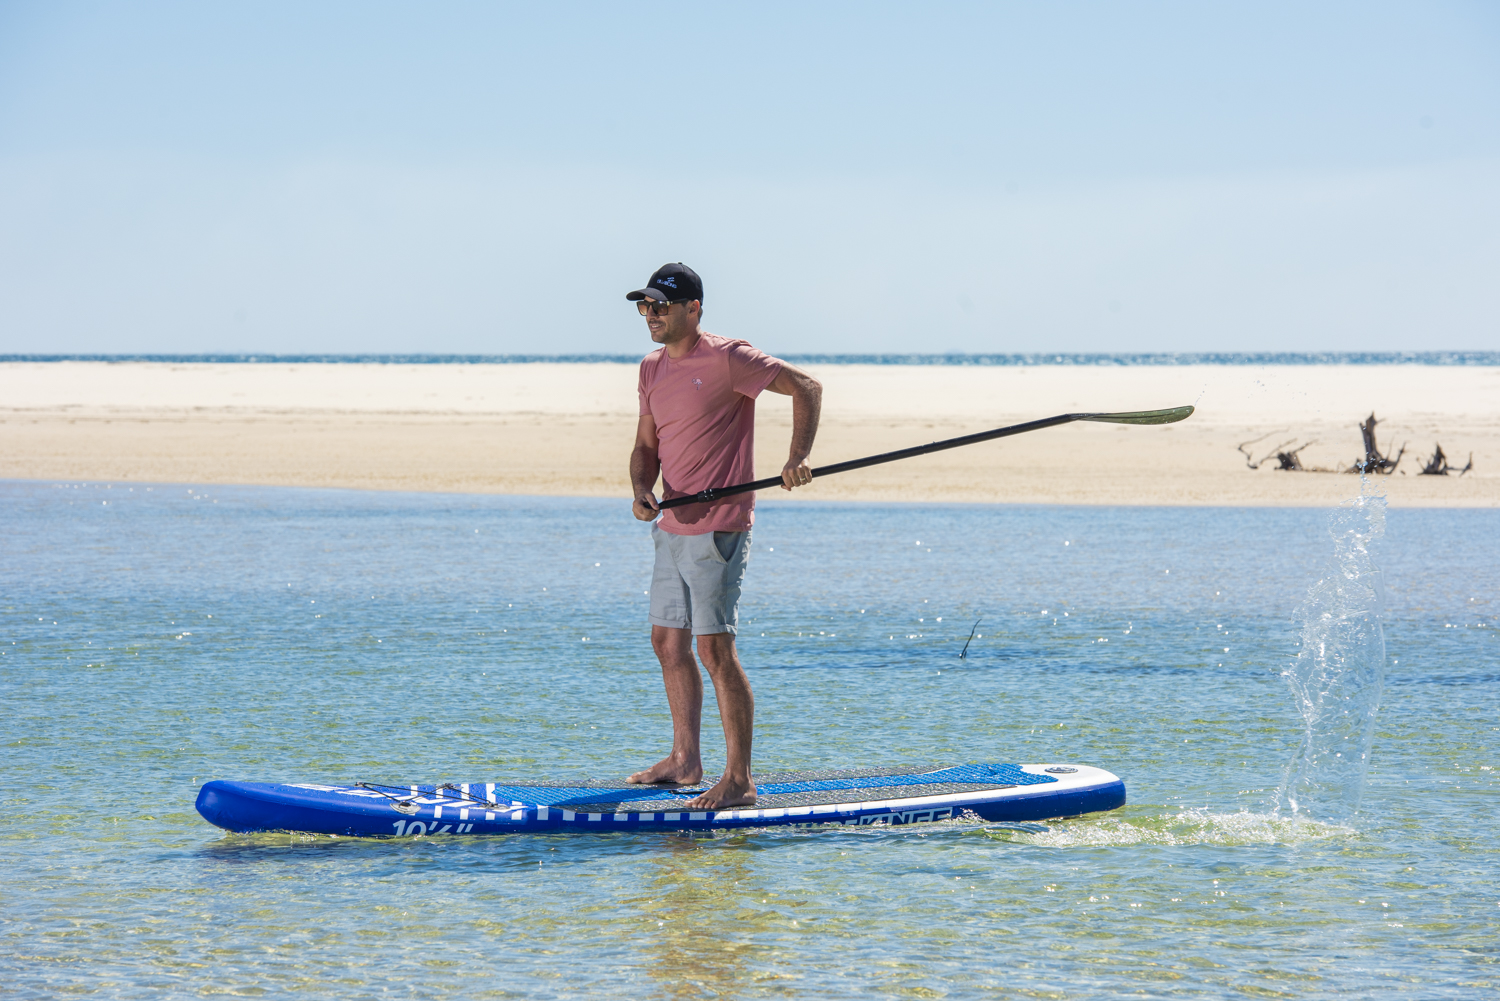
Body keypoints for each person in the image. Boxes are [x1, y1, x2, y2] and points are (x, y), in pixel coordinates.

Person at [626, 262, 822, 810]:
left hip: (719, 529)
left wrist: (797, 458)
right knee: (668, 643)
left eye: (661, 306)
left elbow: (806, 387)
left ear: (694, 309)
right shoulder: (650, 369)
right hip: (672, 525)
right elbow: (646, 445)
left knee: (715, 650)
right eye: (645, 307)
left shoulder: (731, 358)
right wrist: (643, 488)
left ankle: (739, 780)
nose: (652, 315)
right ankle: (686, 760)